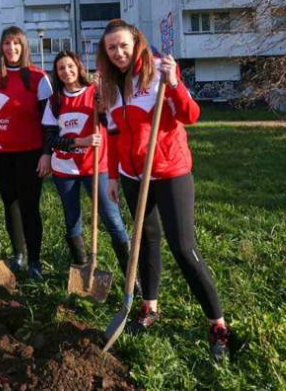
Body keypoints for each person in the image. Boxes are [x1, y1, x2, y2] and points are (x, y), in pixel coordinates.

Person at [97, 19, 230, 361]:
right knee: (145, 240)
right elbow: (112, 136)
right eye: (112, 48)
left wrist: (173, 84)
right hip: (131, 175)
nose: (119, 53)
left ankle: (217, 324)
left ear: (136, 42)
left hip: (169, 170)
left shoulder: (158, 71)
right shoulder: (109, 85)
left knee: (184, 248)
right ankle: (149, 308)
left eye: (124, 45)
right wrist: (112, 176)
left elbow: (191, 114)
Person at [0, 26, 53, 279]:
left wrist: (46, 153)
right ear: (1, 48)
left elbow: (50, 121)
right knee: (10, 204)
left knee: (29, 205)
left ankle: (35, 261)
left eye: (16, 43)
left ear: (23, 46)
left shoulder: (39, 78)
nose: (11, 48)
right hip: (0, 151)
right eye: (7, 43)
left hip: (29, 152)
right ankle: (18, 254)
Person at [39, 50, 131, 275]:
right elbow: (50, 138)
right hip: (64, 170)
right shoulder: (55, 100)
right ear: (56, 73)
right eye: (61, 68)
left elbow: (112, 122)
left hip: (96, 167)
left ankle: (131, 276)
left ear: (78, 67)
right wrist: (82, 140)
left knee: (113, 220)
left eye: (70, 66)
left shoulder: (95, 93)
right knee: (72, 221)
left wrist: (103, 104)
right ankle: (81, 270)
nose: (66, 71)